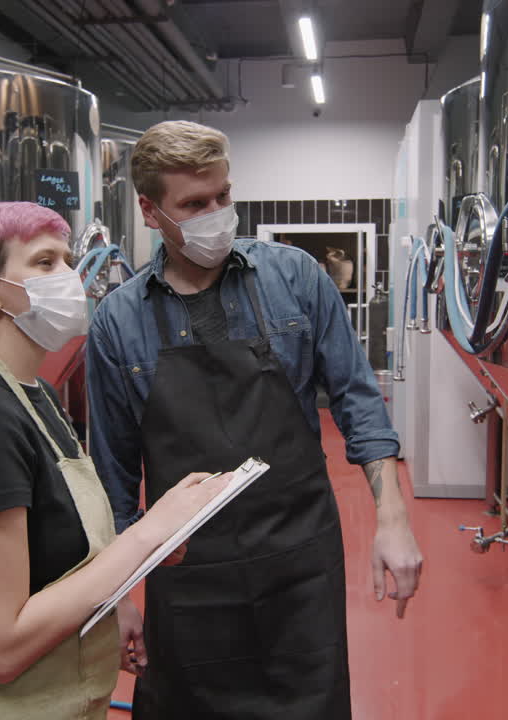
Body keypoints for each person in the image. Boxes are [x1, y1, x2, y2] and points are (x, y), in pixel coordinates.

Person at [85, 121, 424, 718]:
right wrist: (117, 600)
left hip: (299, 568)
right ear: (149, 210)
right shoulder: (118, 322)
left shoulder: (293, 278)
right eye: (193, 204)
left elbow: (359, 402)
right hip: (189, 580)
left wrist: (392, 521)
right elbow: (112, 478)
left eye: (223, 197)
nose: (215, 214)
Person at [0, 201, 229, 719]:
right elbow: (1, 647)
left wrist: (113, 597)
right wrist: (145, 536)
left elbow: (52, 558)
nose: (70, 278)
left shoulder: (32, 393)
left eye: (66, 260)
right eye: (44, 263)